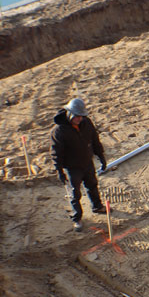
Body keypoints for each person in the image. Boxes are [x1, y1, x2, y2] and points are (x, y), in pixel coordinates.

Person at [51, 97, 107, 230]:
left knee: (92, 185)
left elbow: (95, 140)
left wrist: (101, 156)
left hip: (87, 163)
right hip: (72, 168)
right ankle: (77, 218)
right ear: (69, 114)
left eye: (81, 116)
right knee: (75, 193)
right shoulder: (59, 131)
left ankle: (97, 206)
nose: (79, 119)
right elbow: (56, 153)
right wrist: (59, 171)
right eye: (77, 116)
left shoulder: (87, 123)